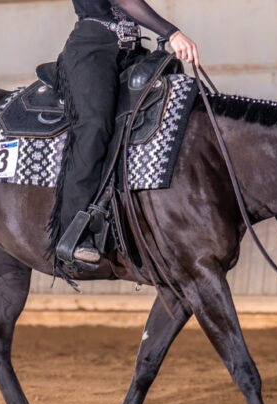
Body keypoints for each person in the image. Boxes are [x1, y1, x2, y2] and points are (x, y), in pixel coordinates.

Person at [50, 0, 199, 265]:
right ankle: (73, 231)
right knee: (95, 126)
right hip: (92, 49)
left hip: (131, 50)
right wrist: (171, 33)